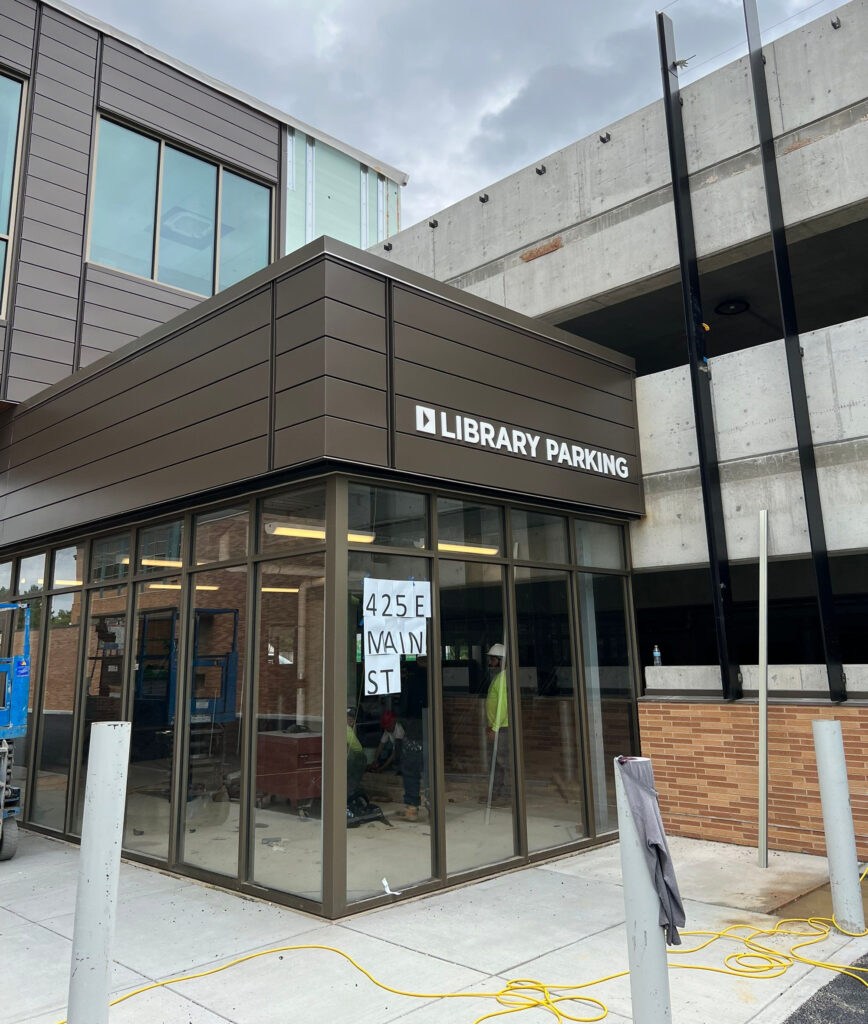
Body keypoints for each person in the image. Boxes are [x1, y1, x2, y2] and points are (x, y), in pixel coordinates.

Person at [485, 643, 511, 804]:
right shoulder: (501, 677)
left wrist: (495, 728)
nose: (490, 662)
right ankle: (497, 794)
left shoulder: (503, 679)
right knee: (497, 762)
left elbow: (503, 706)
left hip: (502, 727)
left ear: (499, 660)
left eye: (492, 659)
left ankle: (506, 795)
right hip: (498, 726)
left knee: (503, 762)